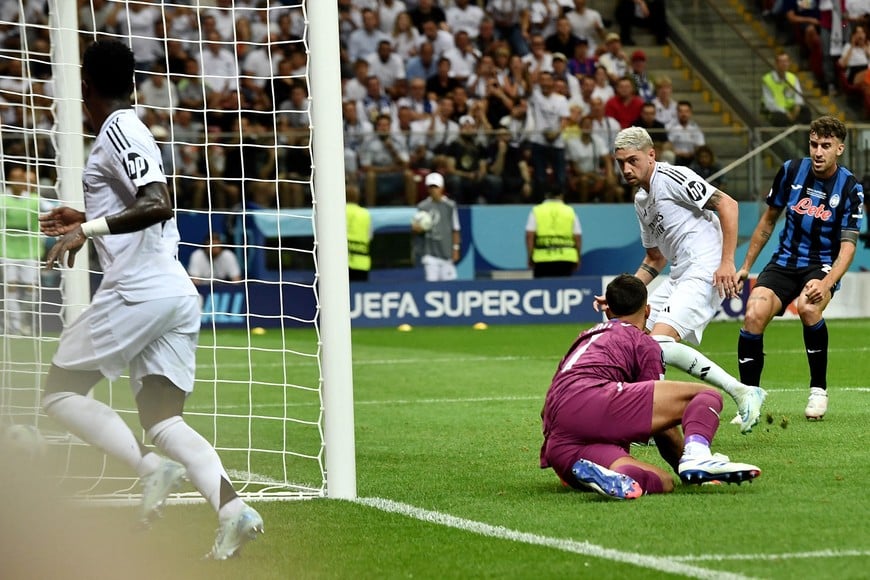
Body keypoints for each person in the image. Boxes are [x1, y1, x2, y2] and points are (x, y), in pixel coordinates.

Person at [37, 40, 263, 560]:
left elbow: (158, 203)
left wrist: (87, 228)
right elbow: (138, 201)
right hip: (175, 289)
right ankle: (234, 511)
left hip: (141, 289)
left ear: (84, 85)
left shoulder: (118, 127)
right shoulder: (127, 130)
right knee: (163, 418)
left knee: (60, 392)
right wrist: (88, 221)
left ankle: (147, 468)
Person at [540, 274, 761, 500]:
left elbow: (549, 407)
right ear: (647, 311)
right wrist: (686, 462)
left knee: (663, 481)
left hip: (560, 440)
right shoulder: (643, 342)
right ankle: (698, 454)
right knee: (706, 395)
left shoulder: (585, 337)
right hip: (593, 400)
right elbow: (660, 426)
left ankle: (612, 477)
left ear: (608, 311)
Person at [607, 126, 767, 433]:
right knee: (631, 335)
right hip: (679, 274)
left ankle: (743, 391)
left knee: (660, 342)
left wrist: (726, 261)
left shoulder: (672, 177)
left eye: (633, 160)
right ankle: (651, 417)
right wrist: (618, 297)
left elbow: (727, 205)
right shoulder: (641, 200)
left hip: (705, 269)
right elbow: (655, 259)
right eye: (621, 163)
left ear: (651, 155)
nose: (626, 169)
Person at [736, 116, 864, 420]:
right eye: (814, 144)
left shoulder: (849, 188)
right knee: (753, 313)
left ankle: (818, 390)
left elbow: (848, 247)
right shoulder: (791, 170)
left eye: (826, 146)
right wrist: (745, 266)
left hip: (821, 264)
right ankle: (749, 400)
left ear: (840, 149)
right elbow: (768, 221)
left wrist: (827, 282)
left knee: (808, 307)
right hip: (784, 261)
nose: (818, 152)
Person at [0, 164, 42, 336]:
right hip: (7, 251)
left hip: (29, 250)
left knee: (32, 290)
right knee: (11, 287)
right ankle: (14, 327)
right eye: (16, 178)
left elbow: (51, 207)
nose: (20, 181)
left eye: (23, 178)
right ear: (10, 180)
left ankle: (24, 320)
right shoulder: (2, 199)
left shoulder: (34, 200)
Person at [412, 172, 460, 281]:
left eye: (436, 187)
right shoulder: (422, 206)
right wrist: (416, 229)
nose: (434, 190)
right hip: (430, 255)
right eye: (431, 187)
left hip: (446, 254)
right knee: (432, 286)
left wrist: (456, 249)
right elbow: (415, 227)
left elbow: (455, 229)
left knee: (450, 287)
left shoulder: (450, 206)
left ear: (442, 187)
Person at [525, 188, 582, 277]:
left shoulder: (537, 210)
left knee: (543, 288)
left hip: (542, 258)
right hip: (565, 258)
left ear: (545, 195)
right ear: (561, 195)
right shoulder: (570, 211)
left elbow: (529, 235)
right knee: (563, 287)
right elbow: (577, 236)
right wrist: (578, 257)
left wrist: (530, 256)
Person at [761, 51, 813, 127]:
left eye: (786, 61)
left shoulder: (792, 78)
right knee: (780, 118)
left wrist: (797, 107)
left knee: (806, 112)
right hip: (776, 111)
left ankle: (806, 137)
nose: (784, 64)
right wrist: (785, 112)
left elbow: (799, 97)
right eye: (781, 62)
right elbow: (769, 103)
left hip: (791, 109)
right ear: (776, 64)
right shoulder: (767, 79)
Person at [346, 184, 373, 282]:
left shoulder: (337, 211)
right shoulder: (365, 213)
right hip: (361, 261)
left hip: (341, 262)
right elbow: (370, 236)